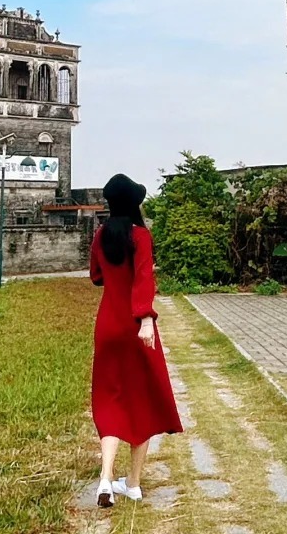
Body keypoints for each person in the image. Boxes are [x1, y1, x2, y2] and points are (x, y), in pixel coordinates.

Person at [90, 173, 182, 508]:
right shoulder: (141, 236)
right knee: (140, 399)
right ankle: (132, 483)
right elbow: (143, 279)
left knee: (110, 400)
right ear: (134, 203)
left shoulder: (100, 236)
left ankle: (105, 479)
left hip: (107, 328)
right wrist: (145, 318)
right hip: (136, 327)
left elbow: (96, 276)